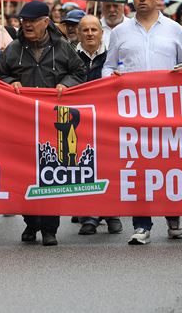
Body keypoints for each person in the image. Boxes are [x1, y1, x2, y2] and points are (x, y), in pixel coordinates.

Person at [102, 0, 182, 245]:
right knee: (139, 169)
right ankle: (142, 225)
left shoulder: (174, 29)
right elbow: (107, 67)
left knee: (169, 167)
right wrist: (113, 77)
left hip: (167, 111)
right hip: (133, 113)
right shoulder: (119, 32)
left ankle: (173, 217)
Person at [0, 0, 86, 246]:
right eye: (24, 21)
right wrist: (10, 81)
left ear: (46, 22)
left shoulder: (63, 47)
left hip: (55, 123)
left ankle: (49, 229)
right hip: (22, 123)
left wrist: (66, 83)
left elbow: (79, 72)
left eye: (32, 21)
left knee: (50, 175)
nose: (27, 25)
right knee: (25, 175)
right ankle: (30, 223)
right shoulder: (13, 48)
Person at [74, 15, 123, 236]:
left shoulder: (112, 55)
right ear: (78, 33)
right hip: (80, 120)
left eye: (95, 29)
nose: (90, 33)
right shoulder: (71, 56)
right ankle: (89, 216)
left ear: (102, 33)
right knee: (85, 166)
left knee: (109, 167)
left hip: (107, 119)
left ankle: (113, 213)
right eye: (85, 30)